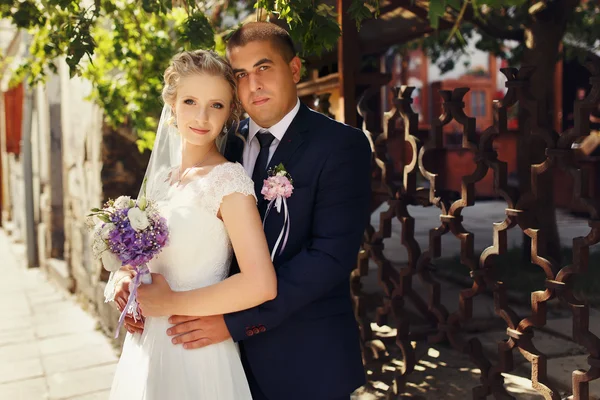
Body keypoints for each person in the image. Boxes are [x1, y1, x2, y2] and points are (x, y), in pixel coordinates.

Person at [117, 22, 372, 400]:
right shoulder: (222, 141)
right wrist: (130, 275)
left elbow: (329, 258)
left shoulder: (340, 145)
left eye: (264, 68)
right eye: (241, 74)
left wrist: (235, 322)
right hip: (214, 355)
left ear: (295, 69)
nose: (253, 84)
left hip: (302, 358)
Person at [106, 49, 277, 399]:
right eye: (189, 101)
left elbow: (261, 284)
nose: (201, 116)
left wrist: (170, 303)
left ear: (230, 111)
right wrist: (125, 278)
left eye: (216, 105)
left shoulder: (229, 182)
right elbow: (142, 258)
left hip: (196, 352)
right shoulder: (163, 181)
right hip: (146, 348)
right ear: (172, 103)